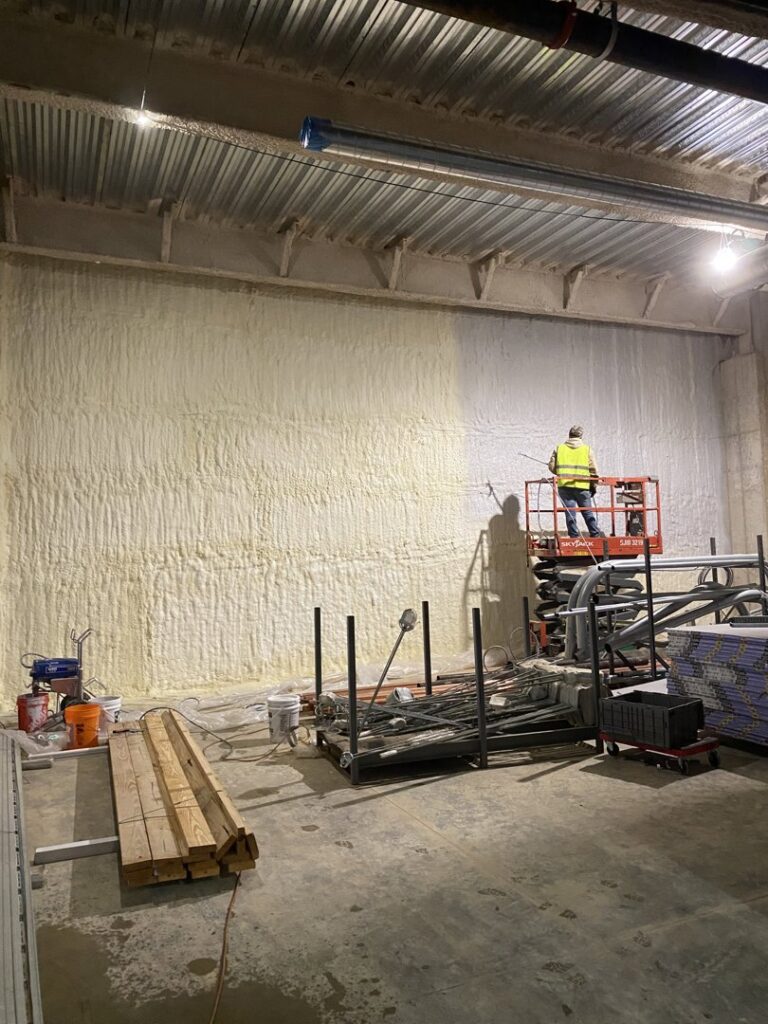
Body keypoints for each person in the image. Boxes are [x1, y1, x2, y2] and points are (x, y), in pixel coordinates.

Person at [548, 426, 602, 538]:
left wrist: (561, 472)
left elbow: (552, 467)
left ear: (569, 434)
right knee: (587, 512)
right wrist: (594, 486)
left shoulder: (559, 448)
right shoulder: (587, 449)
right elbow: (593, 470)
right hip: (582, 487)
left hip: (565, 486)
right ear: (581, 436)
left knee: (570, 513)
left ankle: (573, 536)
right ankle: (595, 534)